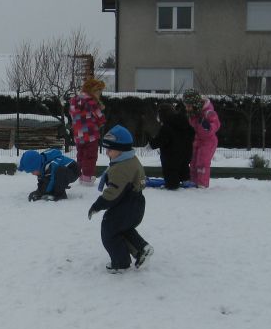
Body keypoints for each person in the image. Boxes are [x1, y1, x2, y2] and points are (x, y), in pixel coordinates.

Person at [87, 125, 153, 273]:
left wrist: (97, 205)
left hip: (127, 205)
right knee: (121, 228)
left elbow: (113, 193)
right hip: (134, 203)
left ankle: (121, 262)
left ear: (122, 150)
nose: (107, 153)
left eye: (110, 149)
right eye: (106, 149)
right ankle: (142, 249)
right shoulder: (130, 159)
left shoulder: (121, 168)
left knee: (109, 230)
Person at [148, 103, 195, 190]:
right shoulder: (184, 122)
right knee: (183, 167)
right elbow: (192, 134)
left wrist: (151, 143)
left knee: (171, 171)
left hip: (171, 156)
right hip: (186, 154)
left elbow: (159, 140)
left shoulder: (166, 127)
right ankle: (186, 180)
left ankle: (172, 184)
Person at [69, 78, 107, 184]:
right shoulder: (91, 101)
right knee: (90, 156)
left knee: (80, 155)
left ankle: (79, 174)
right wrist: (100, 112)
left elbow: (73, 116)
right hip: (90, 134)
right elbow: (101, 118)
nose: (100, 94)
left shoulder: (74, 100)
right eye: (99, 92)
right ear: (93, 90)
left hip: (78, 135)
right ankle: (87, 178)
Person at [182, 89, 221, 188]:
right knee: (193, 162)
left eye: (189, 106)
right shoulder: (193, 113)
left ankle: (202, 184)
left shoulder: (208, 112)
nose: (187, 108)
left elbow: (216, 123)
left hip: (209, 141)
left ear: (195, 104)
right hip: (197, 140)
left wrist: (208, 126)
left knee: (202, 162)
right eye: (186, 106)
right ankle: (194, 182)